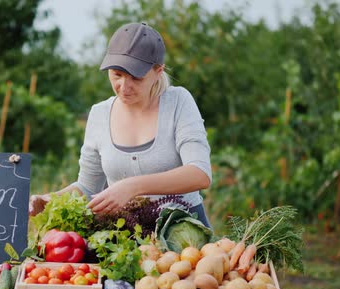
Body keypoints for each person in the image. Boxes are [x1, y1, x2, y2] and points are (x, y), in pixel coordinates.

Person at [29, 22, 212, 228]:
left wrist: (132, 186)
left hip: (184, 235)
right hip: (125, 237)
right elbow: (87, 187)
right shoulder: (99, 114)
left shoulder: (178, 102)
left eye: (136, 78)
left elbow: (200, 173)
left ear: (158, 71)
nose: (124, 87)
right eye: (117, 74)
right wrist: (50, 199)